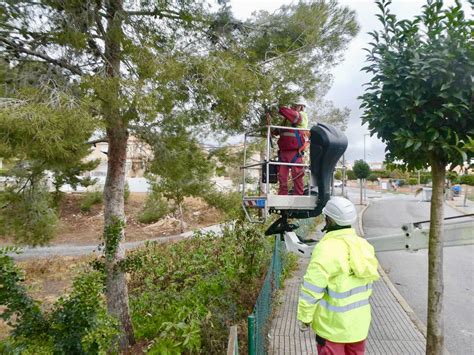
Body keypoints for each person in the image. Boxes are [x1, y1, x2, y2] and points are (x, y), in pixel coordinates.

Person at [297, 197, 379, 355]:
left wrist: (305, 317)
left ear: (328, 220)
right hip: (358, 327)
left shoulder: (326, 249)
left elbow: (311, 288)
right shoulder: (364, 246)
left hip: (332, 328)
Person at [276, 96, 309, 195]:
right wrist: (271, 130)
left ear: (302, 107)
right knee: (282, 176)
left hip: (296, 152)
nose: (294, 107)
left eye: (296, 106)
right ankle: (282, 196)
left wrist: (279, 108)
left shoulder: (302, 116)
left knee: (297, 175)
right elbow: (278, 130)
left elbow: (294, 116)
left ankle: (298, 195)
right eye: (293, 106)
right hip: (284, 152)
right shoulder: (287, 120)